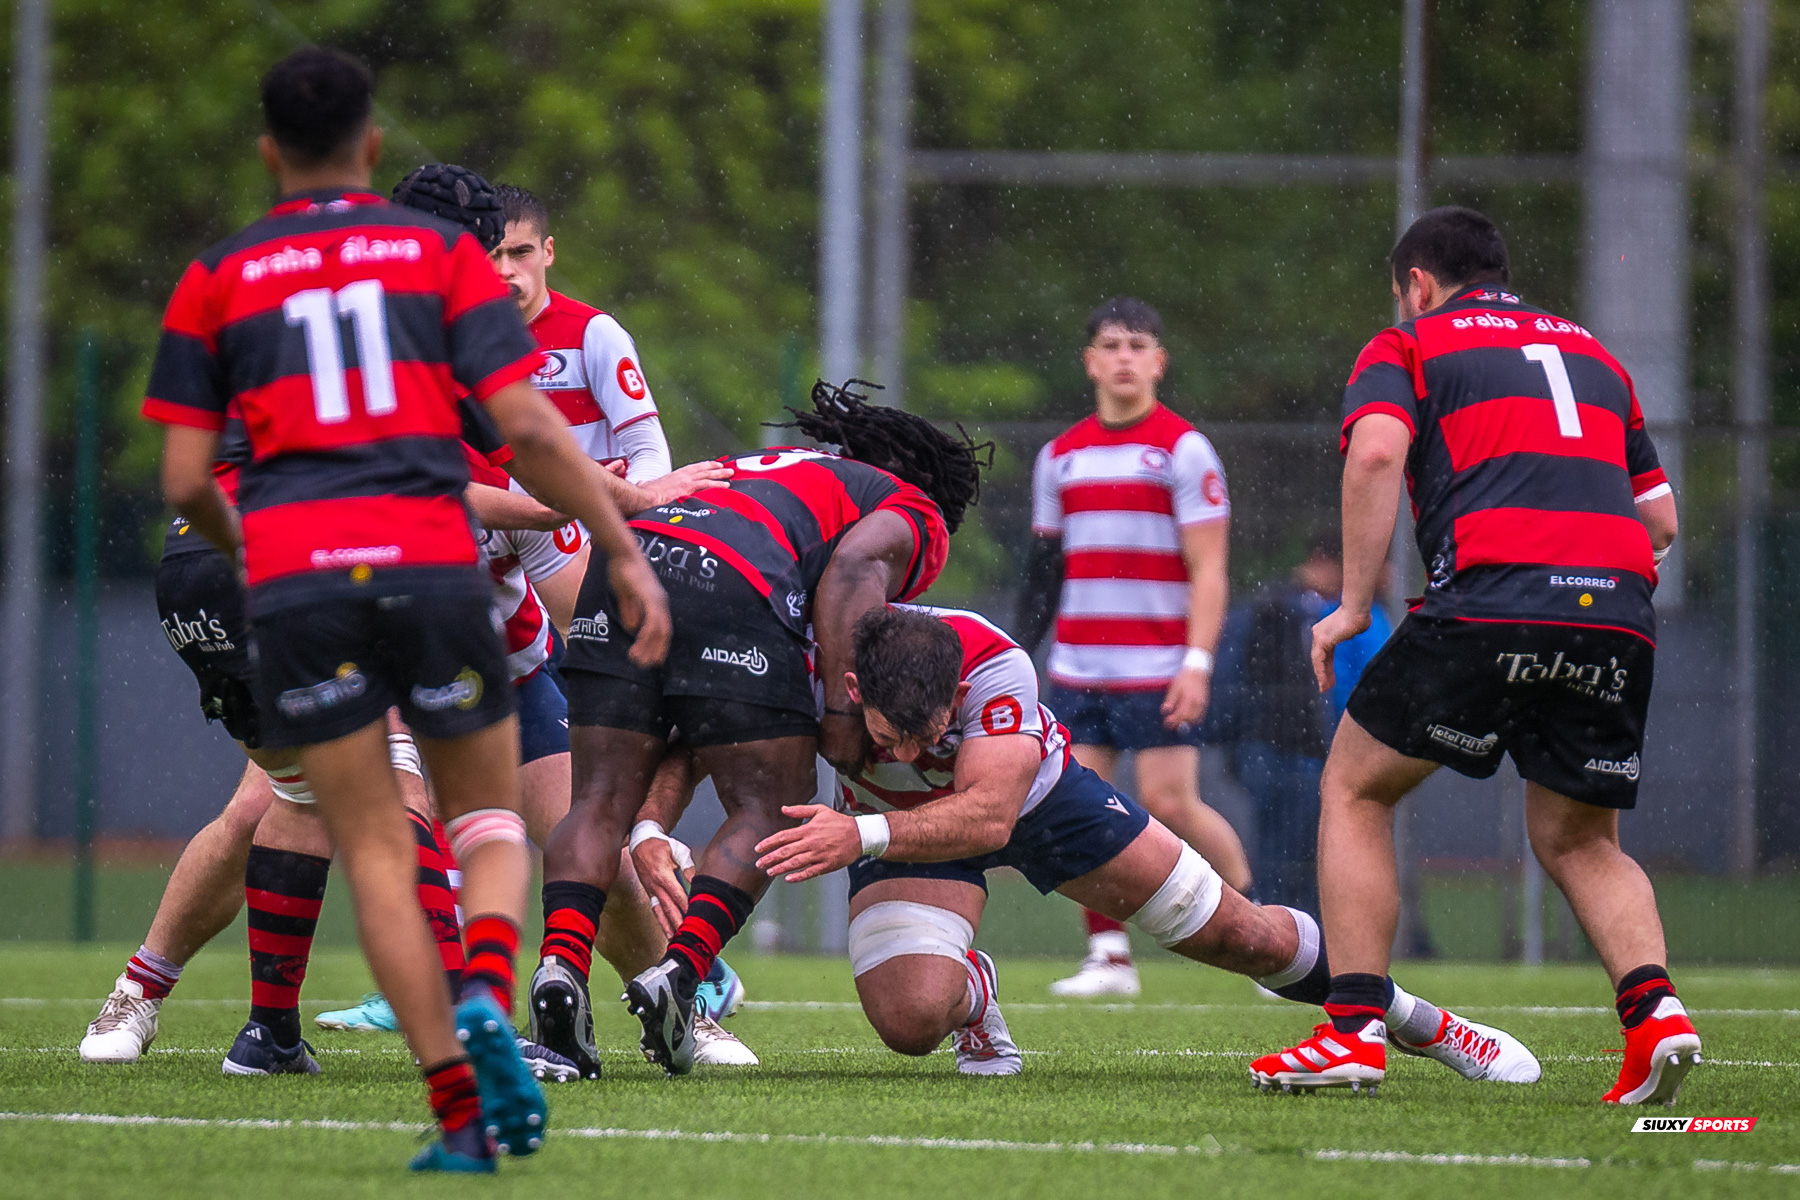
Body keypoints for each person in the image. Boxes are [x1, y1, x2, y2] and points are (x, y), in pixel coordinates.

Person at [141, 48, 671, 1171]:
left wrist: (268, 558)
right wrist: (618, 544)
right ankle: (491, 986)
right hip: (434, 566)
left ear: (267, 151)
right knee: (490, 817)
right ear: (373, 148)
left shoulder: (220, 274)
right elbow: (527, 431)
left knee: (379, 843)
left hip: (304, 581)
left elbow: (188, 481)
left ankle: (455, 1099)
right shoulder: (437, 258)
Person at [1251, 207, 1698, 1103]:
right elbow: (1661, 521)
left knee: (1354, 786)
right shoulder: (1594, 355)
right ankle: (1657, 1018)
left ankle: (1351, 1034)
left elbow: (1376, 457)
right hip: (1615, 611)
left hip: (1490, 597)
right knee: (1578, 835)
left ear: (1416, 284)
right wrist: (1584, 585)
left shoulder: (1409, 345)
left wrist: (1349, 608)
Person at [747, 604, 1538, 1086]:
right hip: (900, 836)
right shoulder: (812, 674)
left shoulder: (991, 664)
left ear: (957, 690)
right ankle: (973, 997)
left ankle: (1421, 1021)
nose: (917, 756)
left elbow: (989, 817)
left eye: (933, 735)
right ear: (852, 695)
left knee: (1247, 936)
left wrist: (862, 831)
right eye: (894, 739)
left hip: (1037, 806)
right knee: (910, 1022)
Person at [531, 381, 986, 1077]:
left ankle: (558, 969)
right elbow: (854, 574)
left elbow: (693, 712)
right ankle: (680, 973)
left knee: (595, 799)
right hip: (732, 581)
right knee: (771, 803)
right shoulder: (913, 510)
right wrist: (841, 713)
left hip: (623, 561)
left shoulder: (774, 467)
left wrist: (652, 825)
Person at [1017, 296, 1251, 998]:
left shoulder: (1183, 449)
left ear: (1159, 361)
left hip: (1159, 668)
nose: (1124, 357)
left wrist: (1197, 661)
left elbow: (1210, 569)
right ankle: (1109, 955)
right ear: (1090, 361)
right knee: (1079, 810)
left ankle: (1261, 923)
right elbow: (1045, 575)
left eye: (1138, 345)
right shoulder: (1059, 458)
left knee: (1172, 805)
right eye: (1111, 345)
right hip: (1078, 669)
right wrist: (1023, 655)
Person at [1208, 532, 1390, 915]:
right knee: (1300, 858)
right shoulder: (1323, 614)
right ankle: (1295, 942)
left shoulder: (1266, 606)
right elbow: (1366, 685)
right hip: (1307, 752)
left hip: (1270, 751)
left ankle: (1283, 938)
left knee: (1285, 856)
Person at [488, 183, 670, 483]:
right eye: (493, 254)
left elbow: (650, 453)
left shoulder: (593, 333)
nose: (505, 269)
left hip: (589, 524)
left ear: (548, 252)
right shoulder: (448, 340)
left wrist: (622, 517)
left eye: (521, 252)